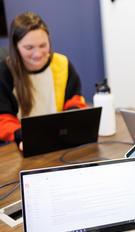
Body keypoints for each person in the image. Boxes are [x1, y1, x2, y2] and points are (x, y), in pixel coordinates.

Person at [0, 12, 87, 150]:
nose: (38, 53)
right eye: (29, 48)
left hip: (60, 141)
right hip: (22, 146)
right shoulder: (4, 72)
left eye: (43, 45)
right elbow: (3, 119)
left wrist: (72, 120)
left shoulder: (62, 64)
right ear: (16, 46)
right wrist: (22, 136)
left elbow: (75, 100)